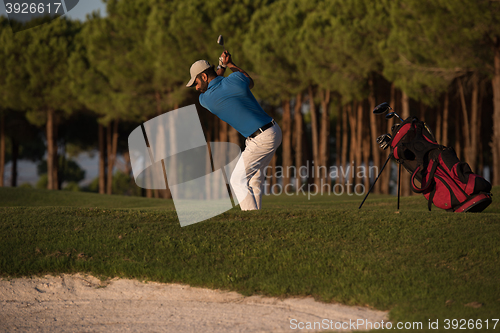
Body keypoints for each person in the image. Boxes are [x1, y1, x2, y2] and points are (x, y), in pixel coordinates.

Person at [186, 51, 282, 211]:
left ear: (203, 77)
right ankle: (257, 219)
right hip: (272, 130)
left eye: (195, 82)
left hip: (261, 139)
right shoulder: (235, 79)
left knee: (238, 180)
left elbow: (216, 79)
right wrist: (229, 64)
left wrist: (221, 67)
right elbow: (248, 81)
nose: (196, 88)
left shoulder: (206, 99)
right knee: (254, 180)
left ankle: (251, 220)